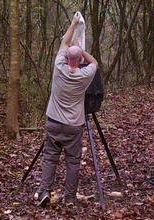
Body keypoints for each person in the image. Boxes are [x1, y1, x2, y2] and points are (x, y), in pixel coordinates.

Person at [35, 12, 98, 207]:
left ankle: (44, 191)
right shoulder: (84, 75)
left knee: (49, 158)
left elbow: (64, 44)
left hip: (54, 122)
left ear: (66, 58)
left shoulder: (58, 67)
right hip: (73, 126)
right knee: (73, 162)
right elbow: (94, 62)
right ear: (80, 61)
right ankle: (70, 198)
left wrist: (73, 24)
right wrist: (80, 50)